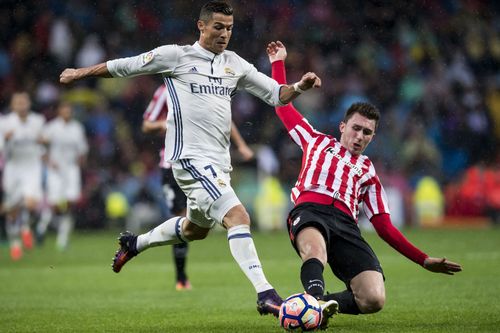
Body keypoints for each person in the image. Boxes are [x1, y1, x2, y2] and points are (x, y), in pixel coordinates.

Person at [59, 0, 319, 316]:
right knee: (239, 217)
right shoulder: (176, 56)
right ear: (202, 25)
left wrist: (299, 86)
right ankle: (266, 294)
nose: (225, 34)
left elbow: (277, 95)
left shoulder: (235, 64)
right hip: (189, 160)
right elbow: (125, 66)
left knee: (196, 230)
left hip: (219, 163)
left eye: (230, 28)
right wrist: (79, 73)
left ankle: (134, 244)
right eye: (218, 27)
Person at [266, 41, 462, 328]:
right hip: (310, 211)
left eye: (367, 132)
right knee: (315, 252)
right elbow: (282, 108)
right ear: (343, 127)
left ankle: (308, 307)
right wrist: (278, 63)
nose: (360, 136)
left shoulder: (369, 171)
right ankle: (313, 313)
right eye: (356, 128)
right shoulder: (315, 140)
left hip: (346, 226)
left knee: (373, 298)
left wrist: (423, 260)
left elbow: (384, 226)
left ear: (372, 137)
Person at [142, 84, 254, 291]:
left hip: (205, 163)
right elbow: (146, 125)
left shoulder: (204, 86)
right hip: (173, 164)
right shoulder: (164, 91)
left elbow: (224, 119)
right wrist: (166, 124)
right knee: (181, 217)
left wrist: (241, 145)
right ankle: (181, 276)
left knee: (199, 226)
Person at [36, 101, 88, 250]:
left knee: (71, 204)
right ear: (59, 111)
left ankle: (62, 240)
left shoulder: (77, 128)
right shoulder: (52, 127)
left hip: (71, 169)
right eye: (64, 110)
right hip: (56, 170)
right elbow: (40, 148)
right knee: (54, 204)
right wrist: (48, 161)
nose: (67, 113)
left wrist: (80, 164)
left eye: (69, 111)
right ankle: (42, 227)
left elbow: (82, 150)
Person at [1, 91, 45, 260]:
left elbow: (44, 143)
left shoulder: (38, 121)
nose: (21, 105)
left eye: (24, 102)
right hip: (13, 168)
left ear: (29, 104)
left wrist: (43, 142)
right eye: (17, 102)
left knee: (31, 203)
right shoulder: (5, 123)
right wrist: (4, 139)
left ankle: (26, 227)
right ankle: (15, 243)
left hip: (32, 166)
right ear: (12, 105)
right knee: (12, 210)